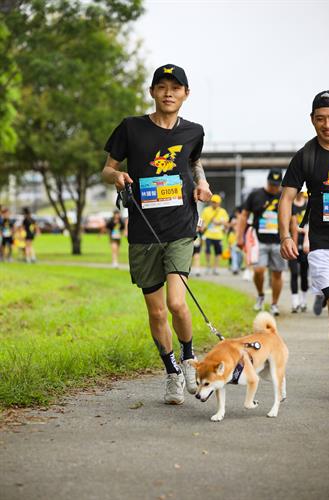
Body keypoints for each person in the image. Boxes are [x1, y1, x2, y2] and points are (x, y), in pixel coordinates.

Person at [102, 64, 212, 404]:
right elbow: (107, 168)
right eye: (162, 86)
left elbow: (193, 163)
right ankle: (171, 372)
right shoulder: (131, 128)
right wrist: (117, 177)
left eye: (175, 88)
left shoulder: (194, 131)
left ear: (185, 94)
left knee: (177, 303)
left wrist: (203, 183)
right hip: (143, 230)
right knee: (157, 312)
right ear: (152, 92)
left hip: (180, 226)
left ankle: (190, 359)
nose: (168, 92)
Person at [279, 90, 329, 347]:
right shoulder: (305, 156)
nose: (327, 125)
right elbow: (287, 198)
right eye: (321, 119)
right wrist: (286, 236)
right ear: (312, 119)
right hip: (322, 244)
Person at [237, 169, 286, 316]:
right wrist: (240, 236)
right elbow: (244, 215)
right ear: (267, 181)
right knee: (258, 270)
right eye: (272, 184)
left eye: (277, 185)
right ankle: (260, 295)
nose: (274, 188)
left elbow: (291, 217)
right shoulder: (255, 195)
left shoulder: (283, 196)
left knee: (277, 273)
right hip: (258, 241)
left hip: (278, 240)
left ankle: (274, 304)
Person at [288, 191, 309, 312]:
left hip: (305, 242)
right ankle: (294, 301)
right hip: (293, 242)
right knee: (294, 272)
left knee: (304, 273)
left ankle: (303, 300)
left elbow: (310, 222)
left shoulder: (308, 204)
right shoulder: (290, 205)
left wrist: (304, 231)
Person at [201, 194, 229, 275]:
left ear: (219, 203)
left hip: (218, 236)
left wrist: (219, 222)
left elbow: (227, 223)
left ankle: (215, 268)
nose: (214, 204)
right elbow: (202, 220)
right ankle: (208, 266)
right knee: (207, 251)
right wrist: (202, 227)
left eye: (215, 202)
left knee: (218, 253)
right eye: (212, 202)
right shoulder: (206, 210)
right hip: (208, 234)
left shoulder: (222, 211)